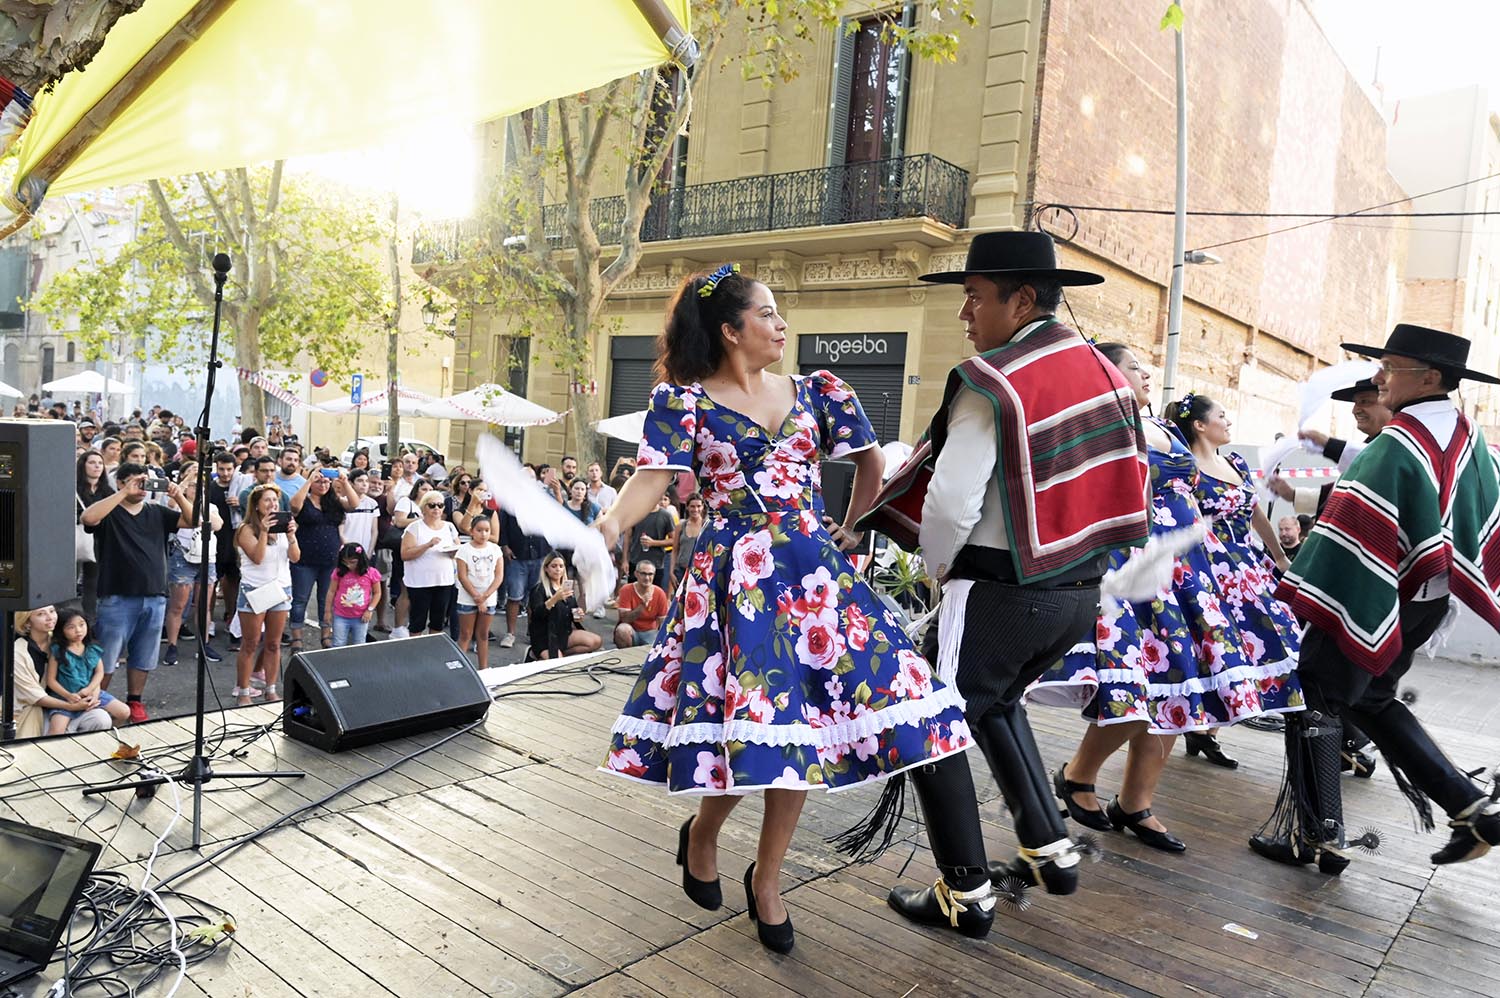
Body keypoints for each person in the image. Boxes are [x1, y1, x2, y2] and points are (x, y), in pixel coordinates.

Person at [596, 263, 970, 954]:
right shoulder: (683, 404)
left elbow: (868, 465)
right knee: (761, 727)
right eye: (768, 314)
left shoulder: (820, 391)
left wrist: (852, 526)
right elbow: (651, 480)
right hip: (735, 580)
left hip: (813, 574)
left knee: (799, 737)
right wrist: (609, 528)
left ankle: (767, 879)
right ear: (731, 331)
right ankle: (703, 834)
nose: (782, 325)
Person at [859, 232, 1150, 936]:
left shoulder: (994, 380)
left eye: (975, 296)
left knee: (928, 723)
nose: (965, 313)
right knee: (993, 704)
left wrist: (934, 569)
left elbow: (952, 503)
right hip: (1078, 597)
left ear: (1020, 299)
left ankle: (965, 891)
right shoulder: (1107, 374)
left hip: (996, 591)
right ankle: (1049, 845)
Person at [1027, 344, 1303, 853]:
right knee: (1136, 685)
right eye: (1134, 365)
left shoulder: (1164, 429)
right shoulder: (1102, 423)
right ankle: (1079, 774)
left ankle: (1136, 802)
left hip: (1189, 568)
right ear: (1107, 372)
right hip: (1135, 567)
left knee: (1182, 686)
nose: (1146, 373)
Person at [1254, 324, 1500, 872]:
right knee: (1372, 698)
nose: (1379, 377)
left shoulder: (1399, 442)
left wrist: (1310, 584)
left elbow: (1356, 524)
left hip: (1377, 592)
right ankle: (1470, 808)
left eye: (1391, 366)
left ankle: (1318, 833)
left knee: (1314, 688)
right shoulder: (1468, 434)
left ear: (1431, 376)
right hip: (1428, 595)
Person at [1167, 392, 1301, 767]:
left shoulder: (1237, 463)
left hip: (1247, 566)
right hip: (1207, 567)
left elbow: (1256, 514)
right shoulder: (1184, 466)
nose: (1228, 422)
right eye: (1221, 416)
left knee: (1258, 641)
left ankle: (1208, 730)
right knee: (1216, 645)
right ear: (1199, 425)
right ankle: (1197, 725)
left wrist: (1278, 555)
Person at [81, 461, 195, 723]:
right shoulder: (110, 511)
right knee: (107, 656)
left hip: (154, 595)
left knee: (144, 654)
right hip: (116, 596)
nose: (143, 487)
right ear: (121, 482)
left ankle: (135, 701)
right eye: (137, 482)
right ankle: (98, 700)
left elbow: (191, 521)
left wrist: (177, 495)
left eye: (147, 482)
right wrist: (122, 493)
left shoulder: (157, 512)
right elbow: (88, 518)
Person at [234, 483, 299, 705]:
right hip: (255, 591)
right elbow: (258, 558)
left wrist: (291, 536)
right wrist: (263, 531)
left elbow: (296, 557)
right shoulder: (245, 529)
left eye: (275, 501)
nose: (273, 505)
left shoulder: (283, 528)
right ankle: (243, 690)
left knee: (273, 643)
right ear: (257, 505)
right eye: (267, 501)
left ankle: (271, 688)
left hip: (280, 591)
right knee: (250, 643)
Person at [10, 607, 112, 738]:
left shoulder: (64, 638)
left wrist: (93, 694)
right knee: (54, 736)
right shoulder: (18, 652)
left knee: (102, 719)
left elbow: (90, 670)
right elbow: (34, 696)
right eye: (41, 614)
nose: (50, 617)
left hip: (70, 699)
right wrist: (70, 706)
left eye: (52, 611)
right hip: (34, 708)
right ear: (27, 622)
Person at [289, 465, 357, 649]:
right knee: (300, 599)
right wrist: (309, 480)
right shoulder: (305, 499)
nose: (323, 485)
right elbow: (294, 506)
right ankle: (297, 636)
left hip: (330, 560)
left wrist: (344, 482)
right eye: (319, 481)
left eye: (326, 481)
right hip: (305, 559)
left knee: (326, 599)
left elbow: (354, 504)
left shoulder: (334, 502)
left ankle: (326, 634)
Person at [162, 469, 224, 666]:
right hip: (183, 557)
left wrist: (203, 505)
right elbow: (171, 503)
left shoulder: (211, 506)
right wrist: (187, 478)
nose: (195, 489)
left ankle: (204, 644)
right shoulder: (178, 506)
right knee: (178, 604)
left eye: (200, 486)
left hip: (207, 558)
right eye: (192, 486)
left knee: (204, 605)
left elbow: (217, 525)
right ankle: (172, 645)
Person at [44, 609, 130, 734]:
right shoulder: (58, 651)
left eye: (81, 625)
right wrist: (68, 695)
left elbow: (99, 673)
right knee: (56, 730)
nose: (78, 630)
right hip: (64, 697)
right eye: (71, 627)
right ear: (61, 630)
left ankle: (109, 734)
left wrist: (91, 691)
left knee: (124, 712)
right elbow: (51, 680)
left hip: (91, 692)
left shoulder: (92, 649)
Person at [401, 487, 460, 636]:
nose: (436, 509)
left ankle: (433, 651)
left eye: (440, 505)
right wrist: (427, 545)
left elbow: (457, 549)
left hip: (444, 581)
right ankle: (415, 652)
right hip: (420, 582)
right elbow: (405, 554)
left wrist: (453, 552)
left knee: (438, 621)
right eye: (432, 505)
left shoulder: (449, 527)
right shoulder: (414, 528)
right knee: (417, 622)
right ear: (424, 508)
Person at [527, 552, 602, 659]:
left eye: (561, 566)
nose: (558, 569)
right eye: (554, 566)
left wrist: (578, 614)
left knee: (596, 641)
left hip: (564, 634)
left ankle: (563, 654)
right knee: (556, 664)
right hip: (545, 637)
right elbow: (536, 615)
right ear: (546, 569)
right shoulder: (539, 589)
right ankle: (534, 654)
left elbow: (572, 613)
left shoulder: (566, 588)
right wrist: (554, 599)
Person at [455, 514, 503, 667]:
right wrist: (477, 597)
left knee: (483, 635)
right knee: (465, 634)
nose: (483, 534)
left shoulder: (495, 549)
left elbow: (499, 576)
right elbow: (462, 576)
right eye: (479, 530)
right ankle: (459, 668)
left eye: (487, 530)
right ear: (472, 531)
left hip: (488, 598)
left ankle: (483, 668)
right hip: (468, 598)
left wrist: (485, 597)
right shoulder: (464, 550)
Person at [498, 504, 547, 649]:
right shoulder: (509, 503)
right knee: (514, 596)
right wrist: (505, 546)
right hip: (516, 555)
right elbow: (502, 526)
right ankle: (510, 633)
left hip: (540, 554)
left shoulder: (541, 499)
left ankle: (533, 633)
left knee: (536, 598)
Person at [76, 449, 112, 619]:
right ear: (83, 465)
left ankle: (90, 619)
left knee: (93, 581)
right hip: (76, 538)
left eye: (99, 463)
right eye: (92, 462)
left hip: (100, 540)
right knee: (70, 581)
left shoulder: (107, 490)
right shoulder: (73, 488)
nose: (97, 466)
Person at [329, 543, 382, 647]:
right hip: (340, 615)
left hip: (361, 617)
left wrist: (370, 610)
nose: (348, 565)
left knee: (359, 644)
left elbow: (377, 593)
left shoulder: (371, 573)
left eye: (352, 562)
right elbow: (331, 591)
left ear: (360, 560)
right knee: (338, 643)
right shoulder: (339, 572)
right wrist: (327, 611)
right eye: (345, 562)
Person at [612, 561, 668, 648]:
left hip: (651, 632)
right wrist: (642, 606)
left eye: (650, 574)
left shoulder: (660, 593)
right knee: (622, 630)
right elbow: (625, 619)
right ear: (636, 574)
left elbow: (663, 622)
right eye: (643, 574)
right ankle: (626, 657)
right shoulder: (626, 590)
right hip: (632, 630)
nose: (647, 578)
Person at [666, 493, 707, 593]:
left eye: (698, 506)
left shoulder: (706, 526)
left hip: (699, 572)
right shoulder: (681, 525)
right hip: (681, 570)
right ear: (687, 507)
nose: (695, 509)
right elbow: (675, 550)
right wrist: (671, 571)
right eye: (692, 506)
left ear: (702, 507)